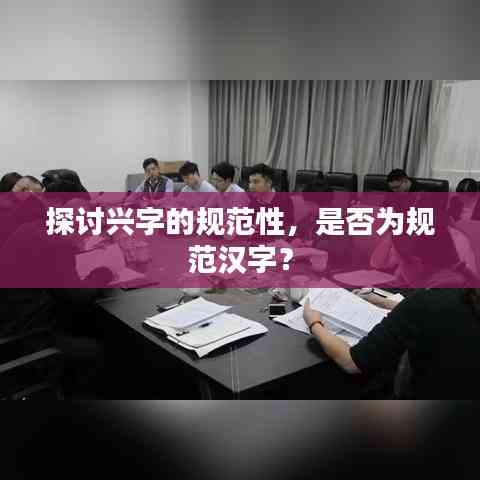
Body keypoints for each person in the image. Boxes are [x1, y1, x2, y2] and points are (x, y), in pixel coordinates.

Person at [303, 288, 480, 398]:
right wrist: (384, 302)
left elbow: (351, 362)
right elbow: (432, 311)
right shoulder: (451, 299)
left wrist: (314, 323)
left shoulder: (430, 300)